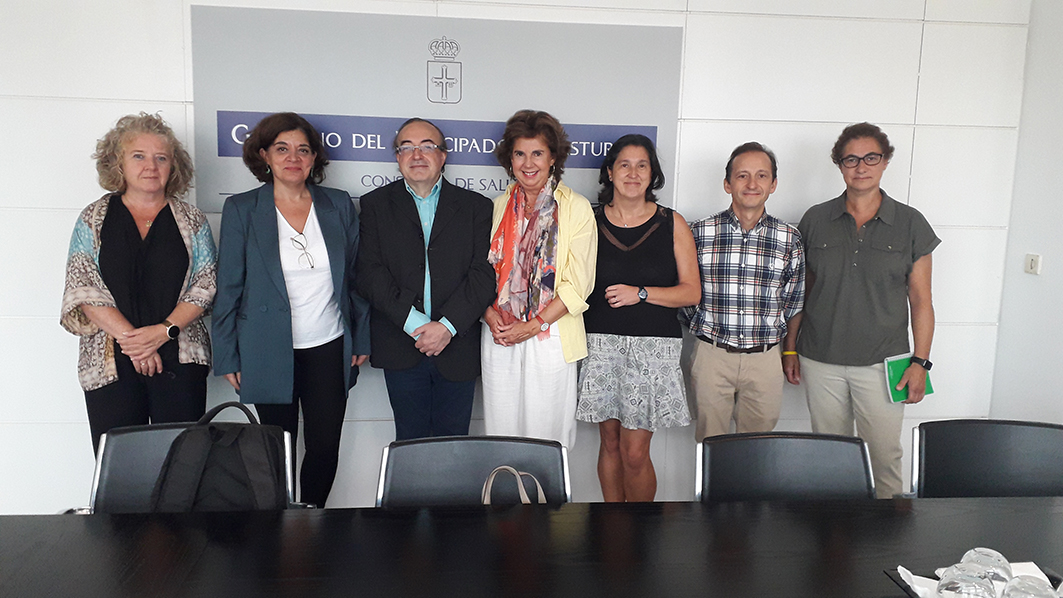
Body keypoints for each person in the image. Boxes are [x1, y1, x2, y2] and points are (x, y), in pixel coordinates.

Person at [212, 112, 370, 507]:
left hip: (329, 345)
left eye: (303, 149)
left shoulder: (337, 205)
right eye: (282, 149)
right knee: (274, 450)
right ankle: (277, 527)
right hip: (265, 347)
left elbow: (356, 278)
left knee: (323, 448)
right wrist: (227, 352)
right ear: (264, 155)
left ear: (315, 158)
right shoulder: (242, 209)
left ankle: (312, 519)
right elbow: (229, 285)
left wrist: (361, 336)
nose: (293, 157)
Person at [785, 122, 939, 498]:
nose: (861, 166)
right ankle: (834, 546)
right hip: (821, 360)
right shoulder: (815, 220)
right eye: (851, 159)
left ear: (885, 161)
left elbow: (921, 300)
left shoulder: (910, 223)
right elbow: (799, 293)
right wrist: (790, 347)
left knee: (884, 460)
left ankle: (883, 550)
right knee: (832, 460)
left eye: (871, 157)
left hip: (885, 363)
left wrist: (921, 362)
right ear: (839, 165)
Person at [61, 113, 217, 455]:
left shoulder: (192, 219)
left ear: (173, 166)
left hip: (180, 356)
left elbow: (206, 283)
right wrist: (134, 343)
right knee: (118, 470)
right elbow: (82, 284)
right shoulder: (94, 217)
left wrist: (162, 332)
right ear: (118, 162)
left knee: (181, 467)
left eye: (161, 157)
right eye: (139, 156)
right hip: (110, 361)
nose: (151, 165)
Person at [575, 134, 700, 502]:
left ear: (653, 174)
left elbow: (691, 292)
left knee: (634, 452)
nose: (633, 173)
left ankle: (640, 535)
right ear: (610, 172)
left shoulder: (671, 223)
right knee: (610, 444)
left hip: (653, 348)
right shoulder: (588, 220)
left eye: (642, 165)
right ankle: (613, 532)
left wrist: (641, 293)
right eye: (624, 165)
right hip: (600, 344)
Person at [357, 118, 495, 440]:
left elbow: (484, 273)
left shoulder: (476, 207)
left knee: (454, 442)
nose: (417, 154)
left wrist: (446, 326)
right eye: (407, 147)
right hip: (402, 343)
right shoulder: (375, 205)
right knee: (410, 443)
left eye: (427, 146)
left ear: (443, 156)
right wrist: (415, 324)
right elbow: (368, 272)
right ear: (397, 157)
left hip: (457, 345)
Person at [481, 110, 597, 450]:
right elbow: (479, 272)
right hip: (499, 331)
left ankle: (546, 505)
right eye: (520, 153)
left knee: (546, 438)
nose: (528, 163)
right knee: (501, 434)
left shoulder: (575, 207)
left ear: (553, 159)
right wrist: (490, 316)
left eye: (537, 153)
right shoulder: (497, 205)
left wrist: (532, 326)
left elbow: (578, 284)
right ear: (509, 158)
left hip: (550, 332)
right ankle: (503, 502)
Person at [683, 142, 805, 442]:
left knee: (757, 449)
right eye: (742, 176)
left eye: (762, 176)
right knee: (710, 445)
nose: (752, 184)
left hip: (765, 360)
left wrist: (789, 351)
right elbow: (685, 295)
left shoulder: (789, 238)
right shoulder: (699, 232)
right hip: (712, 356)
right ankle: (713, 492)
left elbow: (793, 303)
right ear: (727, 183)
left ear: (773, 184)